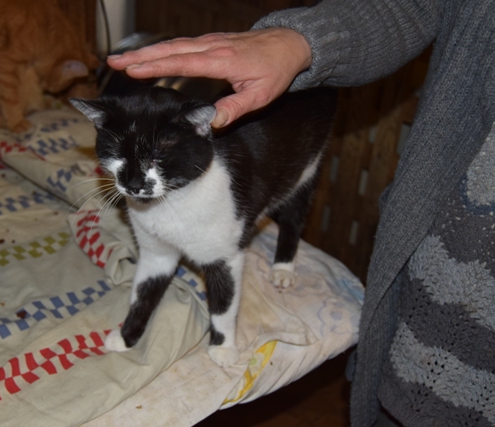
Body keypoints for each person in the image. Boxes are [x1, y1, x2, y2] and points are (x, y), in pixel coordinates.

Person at [107, 1, 495, 426]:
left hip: (296, 141)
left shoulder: (206, 188)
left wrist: (223, 341)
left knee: (292, 203)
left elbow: (224, 263)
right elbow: (155, 259)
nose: (134, 183)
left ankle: (285, 255)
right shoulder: (143, 182)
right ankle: (134, 330)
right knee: (158, 254)